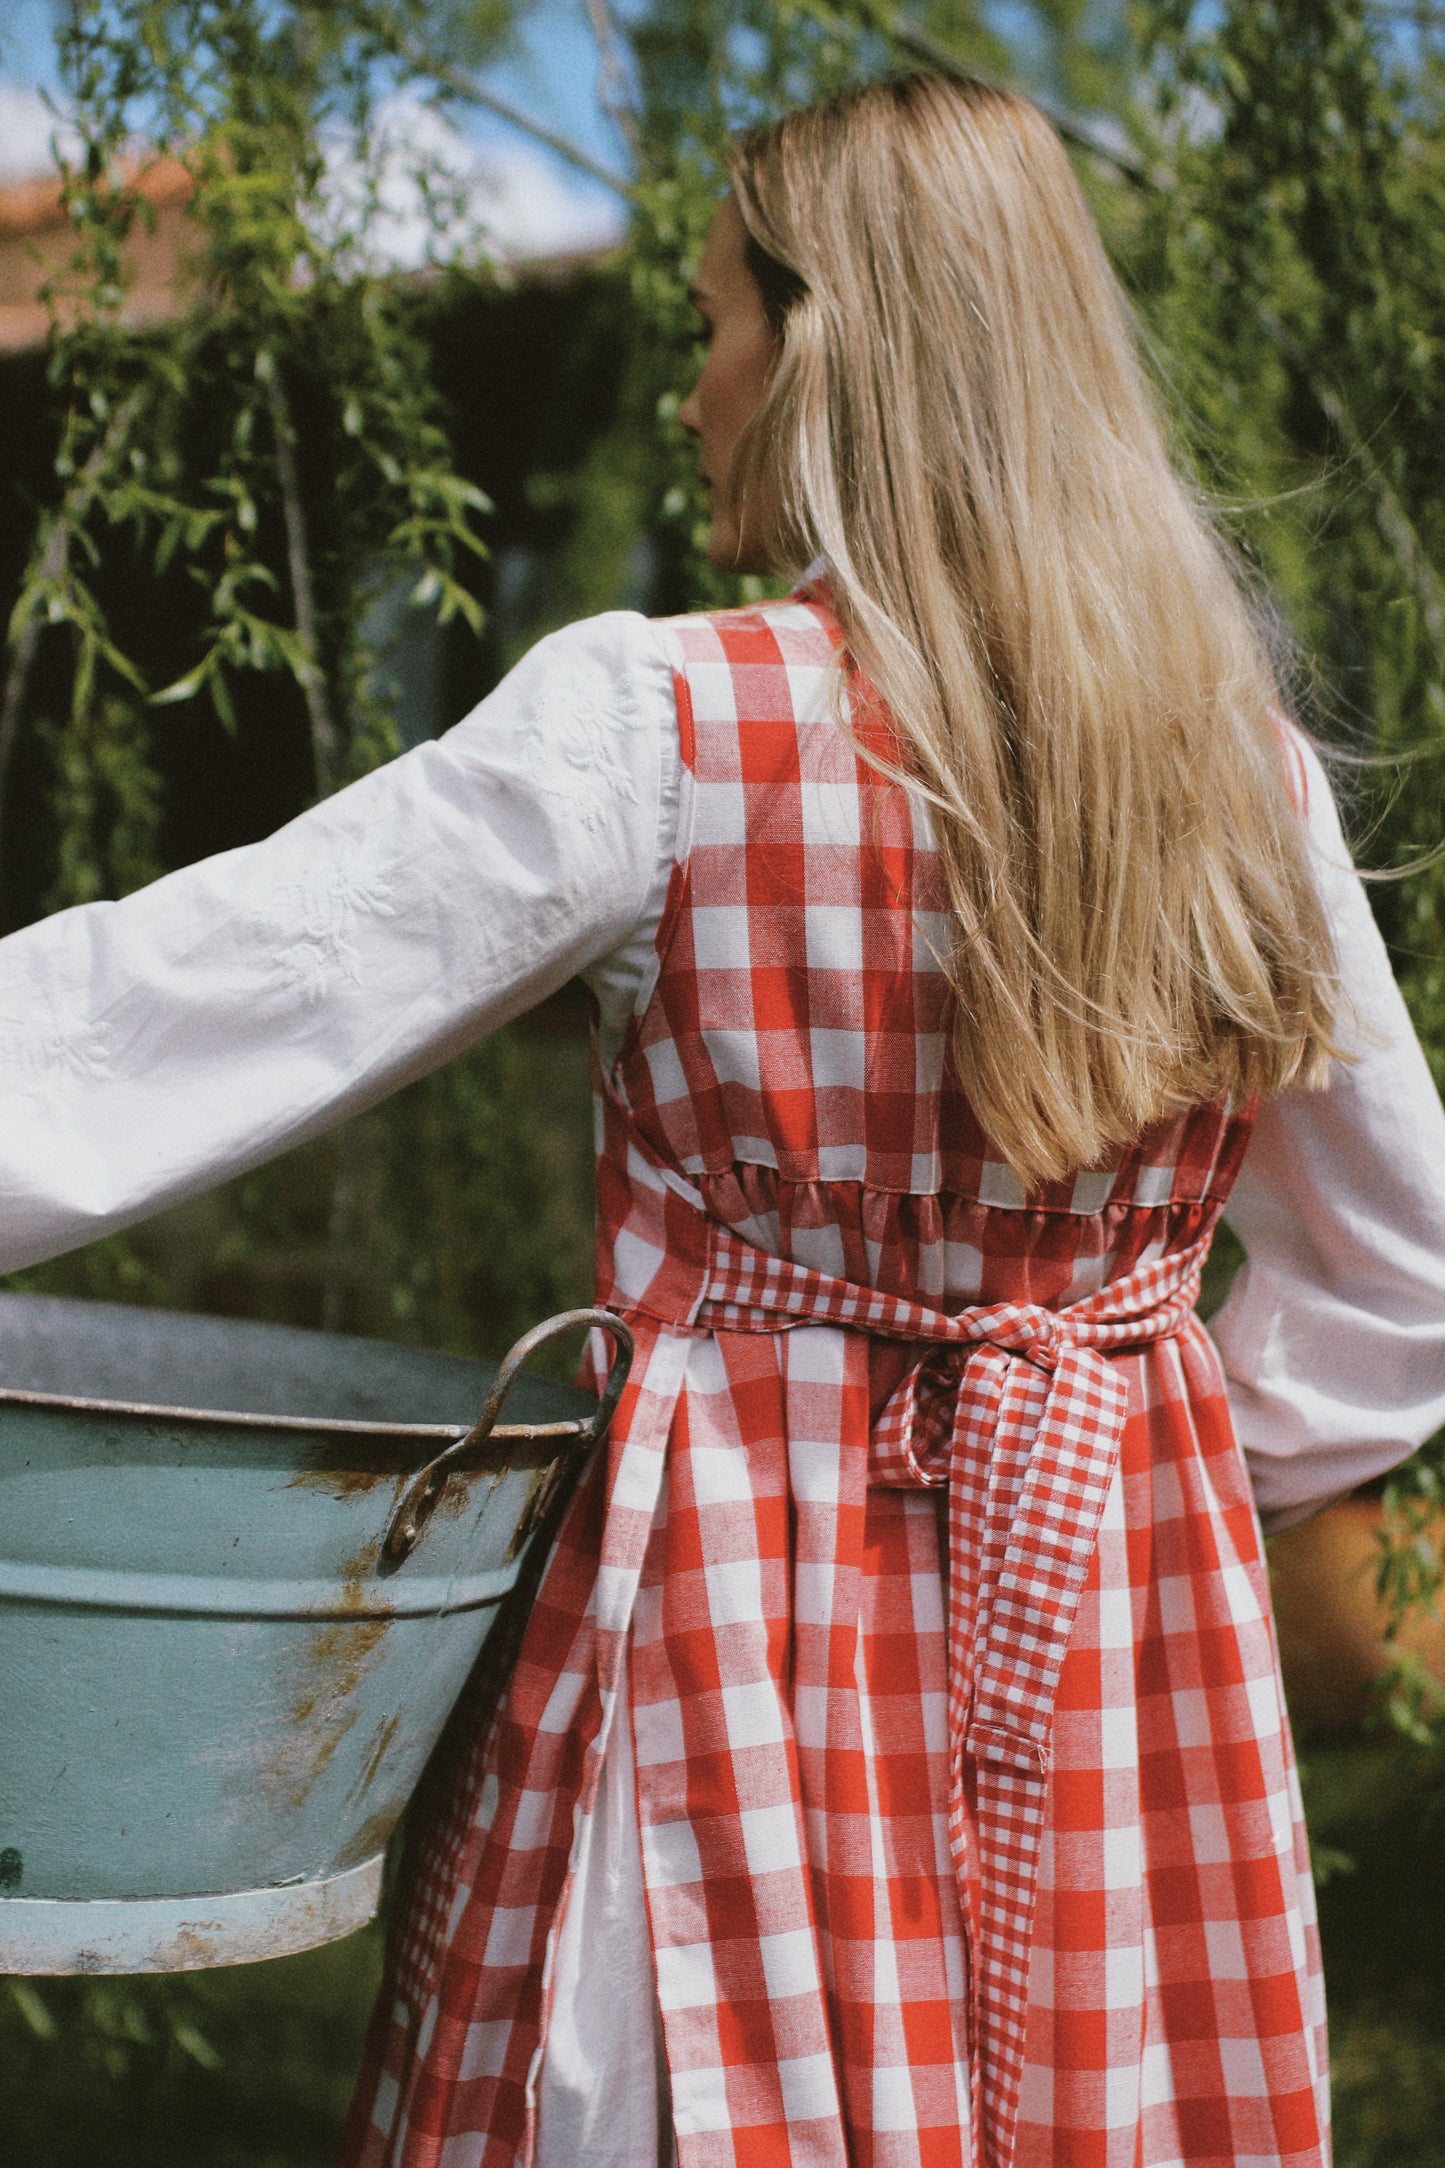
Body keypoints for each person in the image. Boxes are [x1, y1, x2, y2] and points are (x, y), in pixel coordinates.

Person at [1, 70, 1444, 2168]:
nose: (690, 394)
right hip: (1122, 1664)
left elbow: (174, 1015)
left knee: (677, 2087)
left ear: (825, 340)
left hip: (734, 1633)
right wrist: (1135, 1456)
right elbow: (1404, 1275)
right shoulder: (1243, 774)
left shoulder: (655, 727)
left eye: (710, 327)